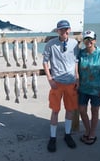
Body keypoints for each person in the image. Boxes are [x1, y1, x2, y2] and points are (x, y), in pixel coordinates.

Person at [43, 20, 79, 152]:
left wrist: (77, 77)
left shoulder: (75, 43)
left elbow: (76, 61)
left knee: (70, 110)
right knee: (55, 111)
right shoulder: (51, 44)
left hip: (71, 83)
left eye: (65, 29)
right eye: (61, 30)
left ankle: (67, 135)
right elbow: (45, 62)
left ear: (69, 29)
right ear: (57, 31)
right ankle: (52, 138)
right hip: (56, 83)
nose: (63, 32)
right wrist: (50, 79)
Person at [78, 30, 100, 145]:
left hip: (96, 90)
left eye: (90, 39)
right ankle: (87, 130)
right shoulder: (81, 53)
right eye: (86, 39)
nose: (88, 41)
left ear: (95, 40)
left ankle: (92, 133)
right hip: (83, 88)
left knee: (94, 111)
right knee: (82, 110)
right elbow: (74, 66)